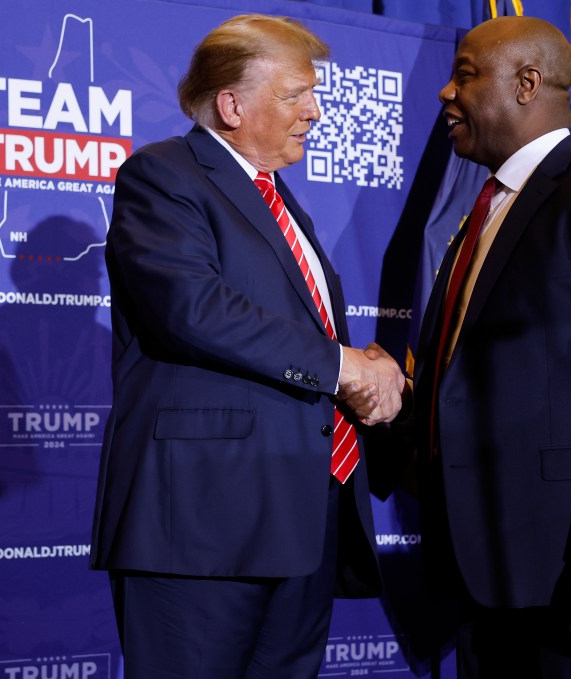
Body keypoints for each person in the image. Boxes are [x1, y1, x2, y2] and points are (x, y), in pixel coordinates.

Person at [346, 15, 571, 679]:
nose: (444, 94)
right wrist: (392, 403)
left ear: (527, 84)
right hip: (483, 589)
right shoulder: (474, 222)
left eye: (466, 75)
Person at [88, 14, 405, 679]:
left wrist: (364, 373)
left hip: (298, 519)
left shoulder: (280, 200)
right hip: (201, 528)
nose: (314, 112)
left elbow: (294, 326)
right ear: (231, 104)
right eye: (296, 94)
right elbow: (193, 308)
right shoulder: (164, 175)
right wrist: (342, 365)